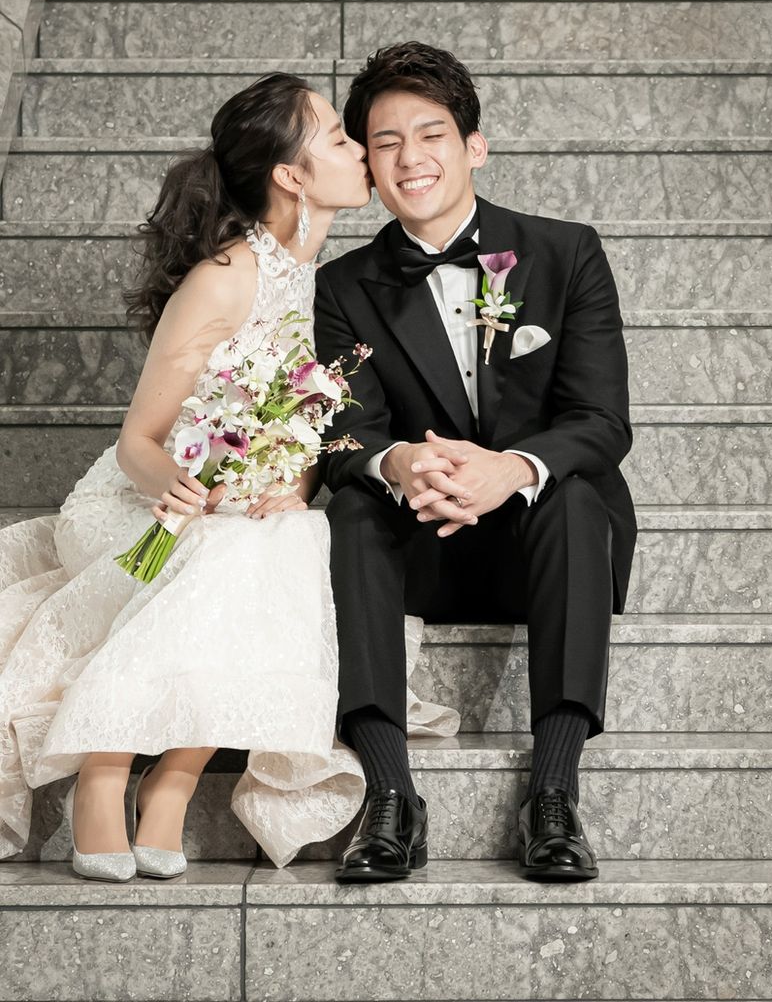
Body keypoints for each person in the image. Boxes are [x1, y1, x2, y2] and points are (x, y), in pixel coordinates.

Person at [0, 73, 457, 882]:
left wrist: (294, 484)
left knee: (292, 536)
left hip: (235, 510)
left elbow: (305, 430)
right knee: (237, 551)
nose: (362, 149)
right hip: (137, 503)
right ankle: (104, 774)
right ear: (291, 175)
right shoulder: (226, 275)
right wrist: (179, 488)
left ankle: (173, 782)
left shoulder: (329, 288)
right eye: (340, 138)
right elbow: (138, 441)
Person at [315, 42, 637, 883]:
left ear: (474, 146)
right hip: (421, 544)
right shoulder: (342, 286)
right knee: (350, 505)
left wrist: (511, 470)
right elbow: (345, 433)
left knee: (575, 494)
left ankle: (554, 794)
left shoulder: (566, 252)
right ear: (368, 165)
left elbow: (602, 421)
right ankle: (390, 795)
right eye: (386, 142)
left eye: (431, 135)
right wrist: (398, 465)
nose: (410, 159)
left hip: (543, 549)